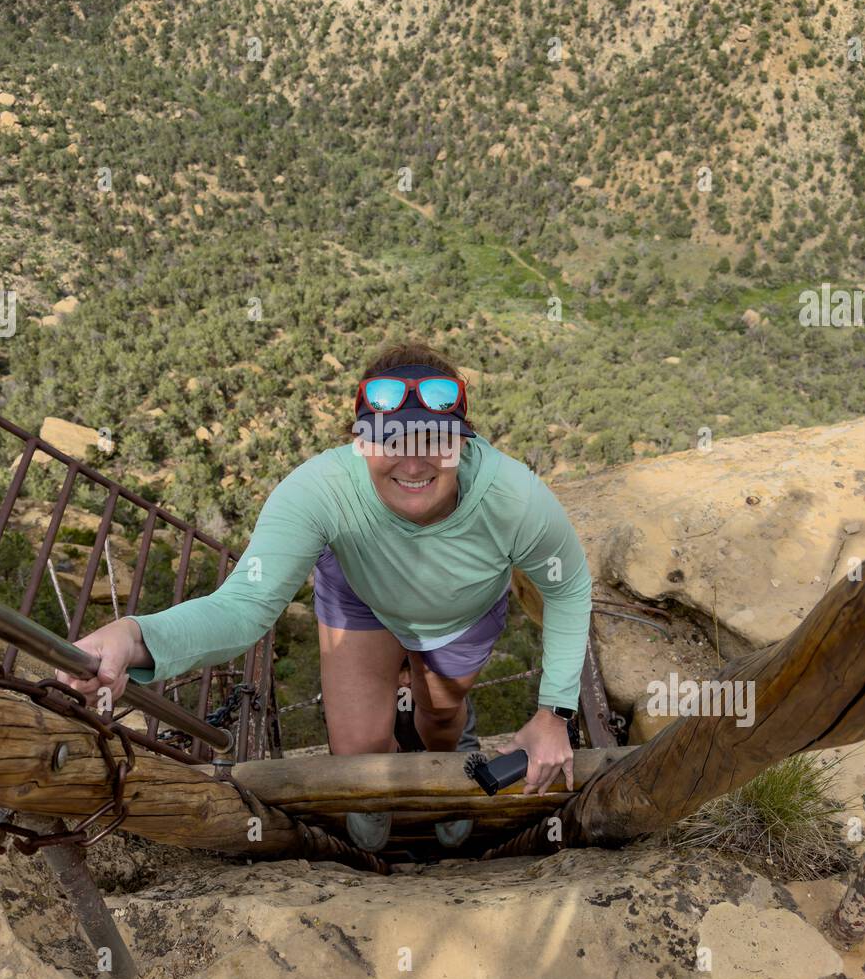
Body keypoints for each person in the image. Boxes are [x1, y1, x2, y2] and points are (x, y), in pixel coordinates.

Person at [56, 340, 592, 852]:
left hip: (459, 615)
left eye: (433, 439)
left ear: (462, 440)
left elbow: (567, 586)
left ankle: (450, 770)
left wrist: (554, 715)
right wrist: (135, 635)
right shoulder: (321, 489)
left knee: (441, 722)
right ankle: (376, 798)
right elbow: (243, 608)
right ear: (360, 441)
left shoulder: (513, 496)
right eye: (391, 441)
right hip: (363, 598)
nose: (413, 462)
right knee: (356, 756)